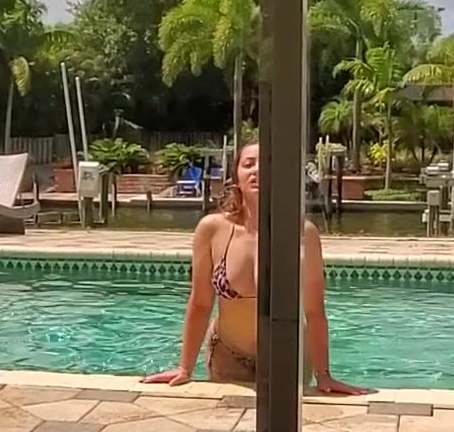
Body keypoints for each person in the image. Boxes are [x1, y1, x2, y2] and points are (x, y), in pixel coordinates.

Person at [143, 142, 368, 394]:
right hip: (228, 354)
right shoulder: (212, 229)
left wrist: (324, 375)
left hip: (287, 354)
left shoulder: (303, 234)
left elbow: (314, 311)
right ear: (236, 177)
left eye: (268, 164)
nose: (257, 170)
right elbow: (200, 303)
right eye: (248, 164)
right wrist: (185, 368)